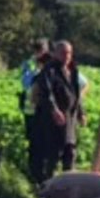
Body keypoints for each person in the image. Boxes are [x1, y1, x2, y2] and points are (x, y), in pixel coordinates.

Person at [34, 40, 89, 184]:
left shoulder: (73, 70)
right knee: (53, 154)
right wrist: (54, 110)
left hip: (70, 118)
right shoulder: (49, 70)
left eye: (69, 53)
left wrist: (81, 112)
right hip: (54, 120)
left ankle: (68, 185)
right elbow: (46, 93)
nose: (67, 56)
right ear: (56, 54)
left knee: (70, 152)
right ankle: (49, 186)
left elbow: (76, 94)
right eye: (63, 53)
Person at [21, 39, 52, 183]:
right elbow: (26, 83)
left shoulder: (53, 63)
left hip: (45, 113)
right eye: (38, 50)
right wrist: (38, 74)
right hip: (31, 112)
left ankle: (44, 177)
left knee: (46, 146)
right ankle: (36, 177)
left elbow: (82, 83)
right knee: (35, 146)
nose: (40, 53)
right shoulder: (30, 65)